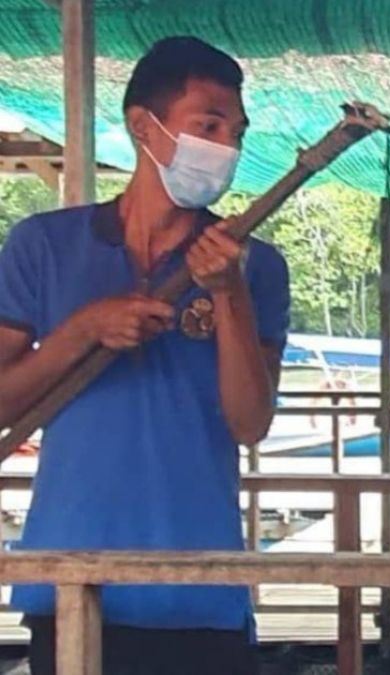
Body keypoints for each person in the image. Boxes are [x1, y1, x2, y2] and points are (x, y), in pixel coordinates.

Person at [0, 37, 289, 674]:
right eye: (207, 125)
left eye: (235, 132)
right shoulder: (42, 246)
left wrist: (228, 295)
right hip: (72, 582)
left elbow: (250, 424)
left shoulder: (254, 266)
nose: (226, 149)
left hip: (201, 585)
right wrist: (80, 332)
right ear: (143, 127)